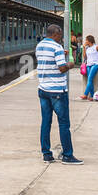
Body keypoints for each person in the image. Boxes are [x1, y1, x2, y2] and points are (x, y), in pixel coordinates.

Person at [34, 24, 82, 164]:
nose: (60, 38)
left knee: (46, 122)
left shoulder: (40, 46)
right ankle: (67, 155)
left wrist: (62, 55)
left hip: (43, 89)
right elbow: (61, 68)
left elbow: (48, 61)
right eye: (60, 35)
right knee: (64, 124)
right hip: (57, 91)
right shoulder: (57, 47)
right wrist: (70, 65)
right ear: (55, 34)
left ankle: (46, 154)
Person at [80, 35, 98, 100]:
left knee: (89, 79)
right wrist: (84, 48)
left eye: (86, 40)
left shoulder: (96, 47)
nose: (85, 41)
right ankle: (92, 96)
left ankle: (85, 94)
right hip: (88, 65)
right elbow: (85, 57)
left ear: (89, 41)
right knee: (90, 80)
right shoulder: (87, 48)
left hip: (95, 64)